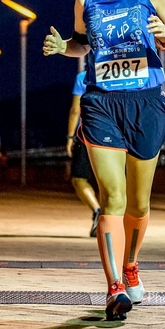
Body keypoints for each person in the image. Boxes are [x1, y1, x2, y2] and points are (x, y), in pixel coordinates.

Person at [43, 0, 165, 321]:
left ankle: (131, 265)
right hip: (101, 103)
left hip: (146, 103)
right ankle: (114, 288)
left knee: (138, 204)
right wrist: (63, 47)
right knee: (113, 198)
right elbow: (82, 44)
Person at [67, 70, 100, 237]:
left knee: (79, 178)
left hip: (87, 134)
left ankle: (97, 210)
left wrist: (70, 137)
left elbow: (75, 110)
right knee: (111, 181)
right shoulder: (122, 72)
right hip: (116, 135)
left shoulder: (83, 77)